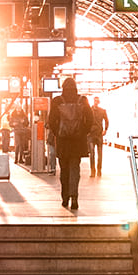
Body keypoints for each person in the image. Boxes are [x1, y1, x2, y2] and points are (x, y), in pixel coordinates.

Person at [48, 77, 93, 211]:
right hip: (77, 142)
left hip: (63, 142)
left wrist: (58, 133)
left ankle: (65, 198)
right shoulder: (82, 100)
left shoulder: (57, 101)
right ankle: (74, 198)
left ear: (63, 87)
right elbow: (90, 119)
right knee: (75, 169)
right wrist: (82, 132)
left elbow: (51, 121)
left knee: (64, 170)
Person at [88, 96, 109, 177]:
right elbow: (85, 120)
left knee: (100, 153)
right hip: (91, 134)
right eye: (95, 101)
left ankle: (99, 169)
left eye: (97, 101)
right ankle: (93, 170)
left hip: (99, 134)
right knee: (92, 153)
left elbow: (107, 120)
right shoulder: (89, 110)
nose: (96, 102)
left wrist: (105, 129)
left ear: (99, 102)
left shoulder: (102, 111)